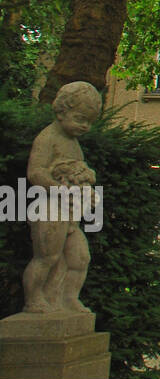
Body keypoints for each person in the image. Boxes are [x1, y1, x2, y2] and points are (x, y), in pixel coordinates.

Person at [22, 81, 101, 314]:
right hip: (48, 207)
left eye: (89, 122)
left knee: (79, 258)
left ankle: (67, 298)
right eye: (80, 119)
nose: (85, 126)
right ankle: (33, 299)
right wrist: (59, 188)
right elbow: (35, 172)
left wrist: (87, 188)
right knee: (47, 256)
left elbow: (79, 170)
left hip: (70, 212)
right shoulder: (47, 138)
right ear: (61, 111)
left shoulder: (73, 143)